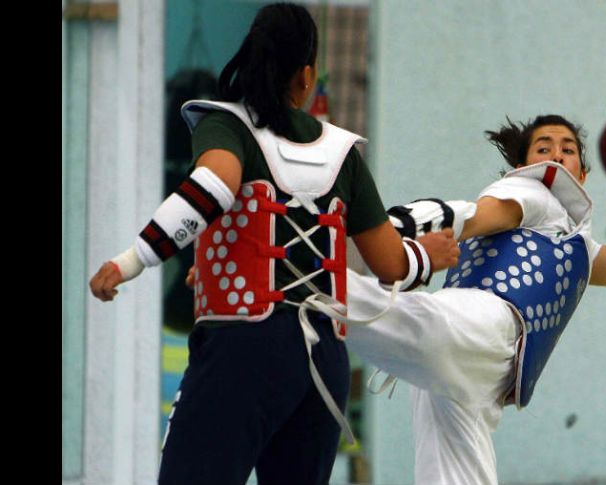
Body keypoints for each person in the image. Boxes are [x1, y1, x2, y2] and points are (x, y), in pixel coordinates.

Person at [88, 3, 459, 485]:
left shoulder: (226, 126)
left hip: (243, 348)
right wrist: (427, 254)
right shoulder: (341, 152)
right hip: (323, 362)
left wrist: (132, 260)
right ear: (307, 76)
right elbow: (390, 264)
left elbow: (213, 189)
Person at [302, 114, 606, 485]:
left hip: (480, 376)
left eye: (568, 148)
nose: (556, 154)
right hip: (478, 328)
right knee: (409, 318)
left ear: (584, 173)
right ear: (520, 168)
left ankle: (307, 282)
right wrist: (405, 226)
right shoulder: (532, 192)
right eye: (543, 147)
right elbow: (475, 215)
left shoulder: (580, 251)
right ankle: (302, 275)